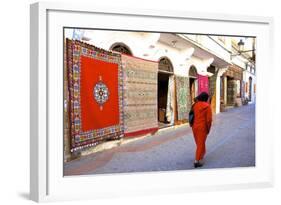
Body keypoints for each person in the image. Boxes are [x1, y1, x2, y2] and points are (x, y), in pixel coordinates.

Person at [191, 92, 212, 168]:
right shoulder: (207, 106)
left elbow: (191, 115)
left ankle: (201, 155)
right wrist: (208, 129)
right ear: (206, 98)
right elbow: (209, 120)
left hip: (194, 127)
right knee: (200, 144)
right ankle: (196, 161)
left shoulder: (195, 105)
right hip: (202, 128)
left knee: (199, 143)